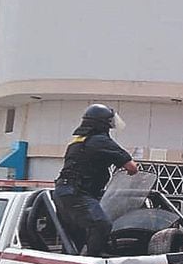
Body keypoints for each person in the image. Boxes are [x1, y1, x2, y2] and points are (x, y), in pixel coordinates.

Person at [52, 103, 138, 256]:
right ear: (103, 123)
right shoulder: (101, 141)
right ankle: (92, 261)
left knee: (75, 238)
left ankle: (73, 263)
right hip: (77, 193)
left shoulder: (78, 141)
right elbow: (132, 167)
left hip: (63, 192)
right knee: (101, 225)